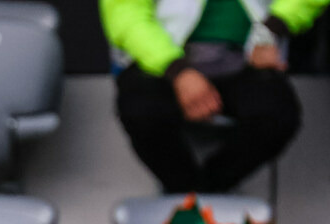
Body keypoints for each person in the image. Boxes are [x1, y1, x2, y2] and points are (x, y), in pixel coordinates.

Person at [100, 0, 328, 193]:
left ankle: (211, 189)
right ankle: (182, 189)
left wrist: (273, 29)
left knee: (277, 116)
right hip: (165, 54)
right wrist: (178, 71)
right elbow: (125, 13)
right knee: (141, 111)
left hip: (248, 55)